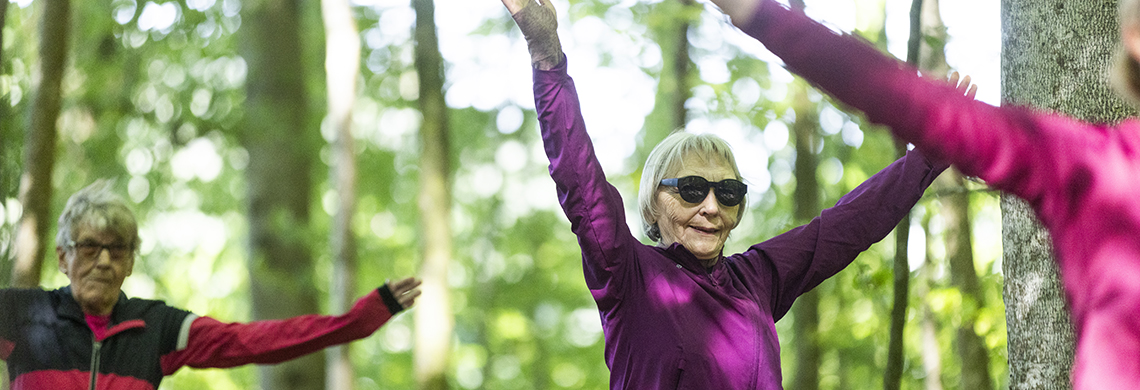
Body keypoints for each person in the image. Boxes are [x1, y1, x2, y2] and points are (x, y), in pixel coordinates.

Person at [500, 0, 953, 388]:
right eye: (692, 189)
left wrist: (930, 155)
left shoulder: (758, 279)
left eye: (729, 192)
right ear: (655, 203)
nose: (712, 207)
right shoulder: (628, 273)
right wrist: (547, 60)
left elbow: (846, 225)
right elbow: (582, 186)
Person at [702, 0, 1140, 389]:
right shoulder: (1088, 165)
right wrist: (762, 15)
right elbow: (901, 97)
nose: (708, 205)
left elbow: (847, 224)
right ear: (1135, 38)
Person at [0, 180, 422, 390]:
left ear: (131, 262)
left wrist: (359, 321)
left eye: (118, 249)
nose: (104, 261)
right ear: (63, 257)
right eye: (90, 247)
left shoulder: (156, 328)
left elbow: (257, 341)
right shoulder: (23, 314)